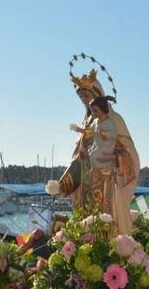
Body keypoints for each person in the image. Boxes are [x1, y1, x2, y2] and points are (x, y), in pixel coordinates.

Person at [58, 69, 140, 237]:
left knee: (109, 224)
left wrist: (115, 157)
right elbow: (79, 154)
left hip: (107, 180)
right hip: (87, 182)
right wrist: (68, 180)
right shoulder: (88, 122)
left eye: (87, 97)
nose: (84, 102)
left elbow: (128, 151)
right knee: (87, 226)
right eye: (81, 98)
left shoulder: (114, 120)